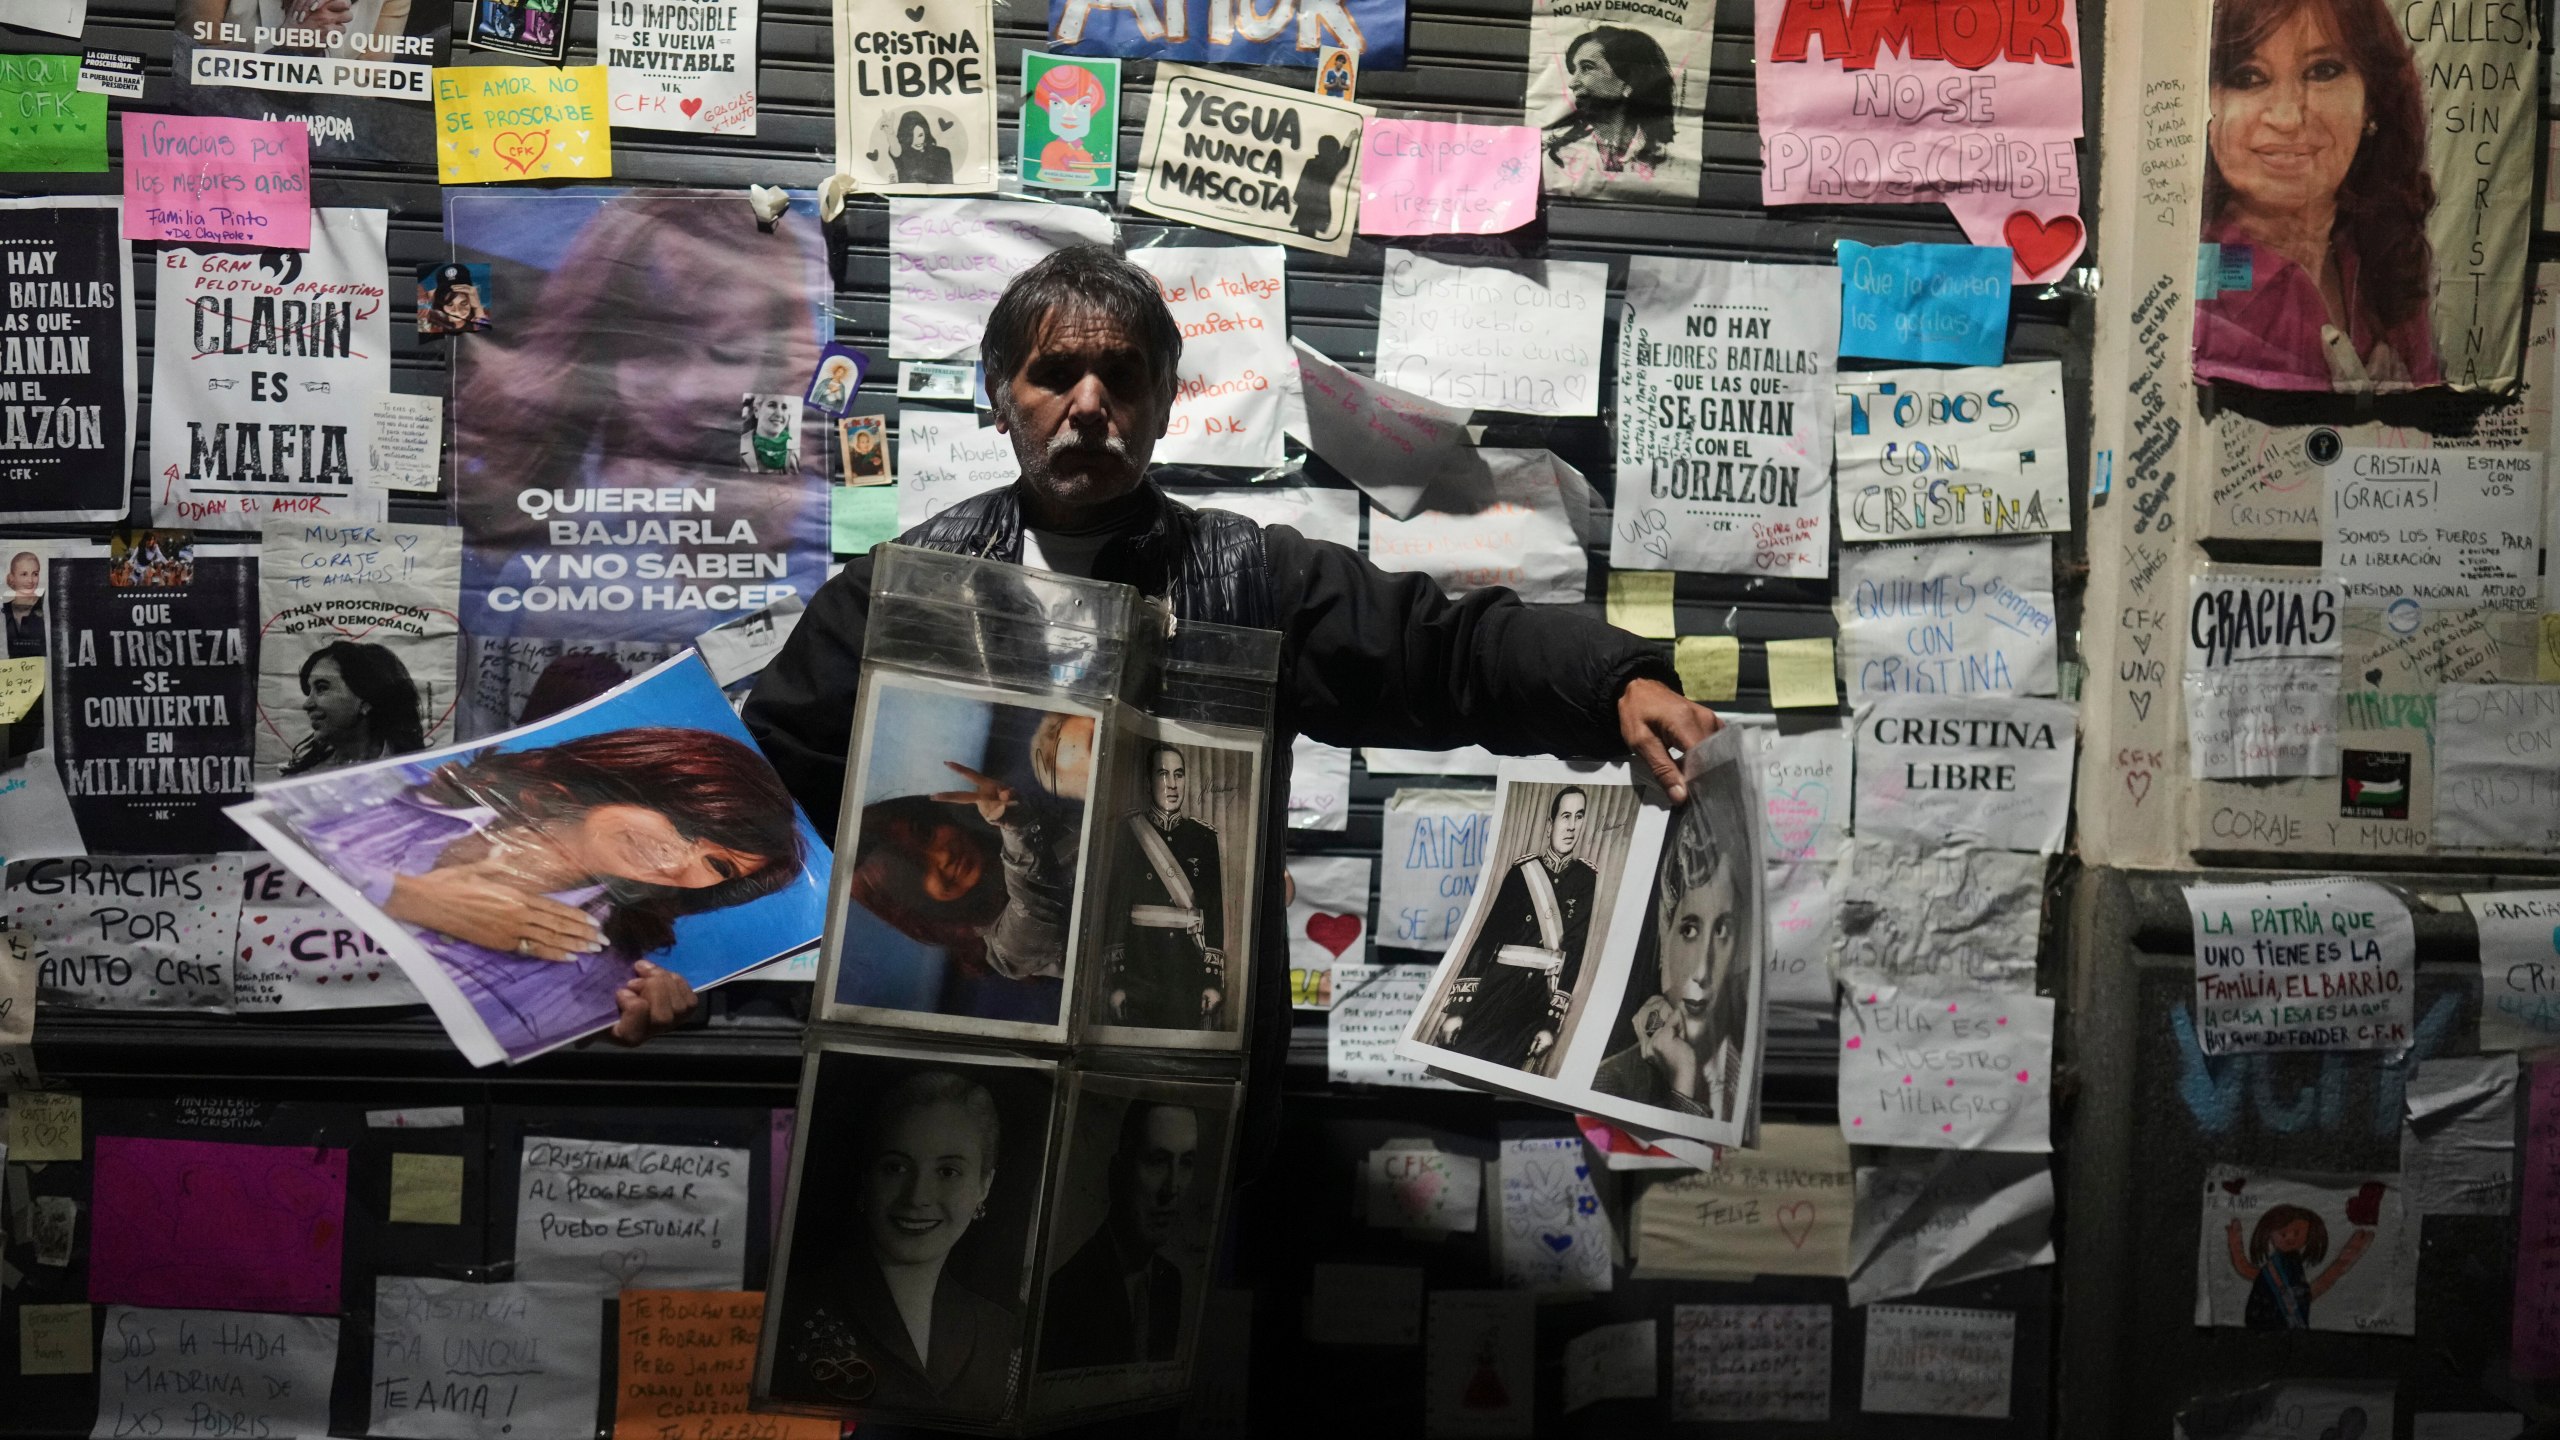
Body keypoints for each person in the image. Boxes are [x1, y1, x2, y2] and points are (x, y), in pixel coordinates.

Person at [677, 245, 1715, 1183]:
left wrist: (1616, 682)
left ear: (1166, 402)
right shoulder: (899, 594)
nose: (1089, 403)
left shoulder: (1253, 580)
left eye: (1122, 376)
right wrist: (681, 965)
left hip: (1187, 1101)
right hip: (955, 1100)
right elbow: (766, 810)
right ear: (998, 396)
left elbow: (1448, 654)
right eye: (1053, 374)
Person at [282, 727, 805, 1055]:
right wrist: (404, 895)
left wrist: (603, 1029)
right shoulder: (395, 791)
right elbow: (258, 877)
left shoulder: (602, 972)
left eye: (717, 865)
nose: (676, 858)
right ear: (634, 782)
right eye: (686, 825)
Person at [2192, 0, 2439, 392]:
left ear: (2371, 99)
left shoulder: (2385, 258)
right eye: (2247, 78)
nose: (2288, 118)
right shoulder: (2193, 288)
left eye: (2322, 71)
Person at [778, 1069, 1019, 1411]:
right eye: (896, 1168)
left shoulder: (1003, 1334)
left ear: (984, 1185)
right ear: (866, 1176)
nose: (917, 1197)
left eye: (948, 1171)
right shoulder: (788, 1311)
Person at [1590, 768, 1753, 1120]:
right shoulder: (1609, 1082)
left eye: (1723, 931)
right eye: (1689, 930)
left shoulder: (1752, 1080)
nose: (1702, 970)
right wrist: (1682, 1080)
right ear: (1665, 934)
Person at [1430, 787, 1596, 1073]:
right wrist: (1458, 1010)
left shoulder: (1586, 878)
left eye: (1578, 817)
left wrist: (1550, 1024)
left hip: (1536, 1002)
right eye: (1565, 816)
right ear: (1550, 824)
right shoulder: (1522, 871)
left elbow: (1576, 952)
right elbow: (1487, 939)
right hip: (1497, 989)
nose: (1571, 826)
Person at [1037, 1101, 1200, 1370]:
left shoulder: (1169, 1282)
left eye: (1186, 1163)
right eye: (1157, 1161)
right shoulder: (1065, 1294)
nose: (1172, 1188)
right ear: (1118, 1171)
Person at [1102, 743, 1226, 1030]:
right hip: (1139, 969)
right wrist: (1117, 981)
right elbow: (1116, 909)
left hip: (1187, 970)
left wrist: (1211, 980)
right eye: (1163, 774)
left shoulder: (1203, 838)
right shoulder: (1128, 832)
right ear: (1148, 783)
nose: (1172, 784)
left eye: (1178, 775)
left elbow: (1214, 909)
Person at [1543, 27, 1677, 183]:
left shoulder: (1669, 156)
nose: (1572, 83)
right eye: (1574, 71)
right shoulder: (1558, 152)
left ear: (1629, 80)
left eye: (1587, 67)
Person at [281, 640, 429, 777]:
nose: (307, 704)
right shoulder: (303, 781)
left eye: (322, 688)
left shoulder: (417, 775)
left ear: (366, 700)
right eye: (309, 691)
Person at [2226, 1203, 2375, 1328]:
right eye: (2283, 1234)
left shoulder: (2293, 1266)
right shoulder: (2276, 1268)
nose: (2290, 1239)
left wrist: (2346, 1259)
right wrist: (2235, 1244)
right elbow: (2247, 1270)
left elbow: (2305, 1294)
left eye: (2297, 1233)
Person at [1030, 64, 1108, 186]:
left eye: (1083, 106)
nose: (1069, 116)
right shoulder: (1049, 153)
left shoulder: (1086, 154)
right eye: (1057, 104)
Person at [4, 550, 43, 763]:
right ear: (11, 578)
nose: (30, 580)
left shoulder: (48, 609)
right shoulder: (4, 611)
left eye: (35, 573)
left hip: (40, 699)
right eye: (24, 574)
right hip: (8, 697)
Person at [1290, 135, 1350, 239]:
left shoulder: (1311, 162)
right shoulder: (1333, 165)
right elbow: (1343, 156)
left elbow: (1303, 181)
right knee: (1310, 238)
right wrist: (1349, 140)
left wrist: (1297, 196)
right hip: (1320, 207)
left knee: (1304, 236)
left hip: (1305, 206)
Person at [420, 264, 489, 336]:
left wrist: (477, 308)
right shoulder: (426, 318)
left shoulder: (483, 311)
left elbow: (487, 337)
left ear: (472, 301)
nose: (457, 311)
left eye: (464, 303)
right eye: (449, 304)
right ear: (441, 303)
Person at [741, 394, 803, 474]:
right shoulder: (738, 446)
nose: (779, 413)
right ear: (756, 411)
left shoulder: (793, 457)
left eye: (784, 407)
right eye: (772, 405)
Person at [891, 111, 955, 186]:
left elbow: (948, 185)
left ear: (926, 132)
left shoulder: (942, 153)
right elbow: (895, 150)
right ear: (904, 136)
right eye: (911, 136)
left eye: (920, 135)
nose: (917, 141)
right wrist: (890, 134)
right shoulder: (901, 154)